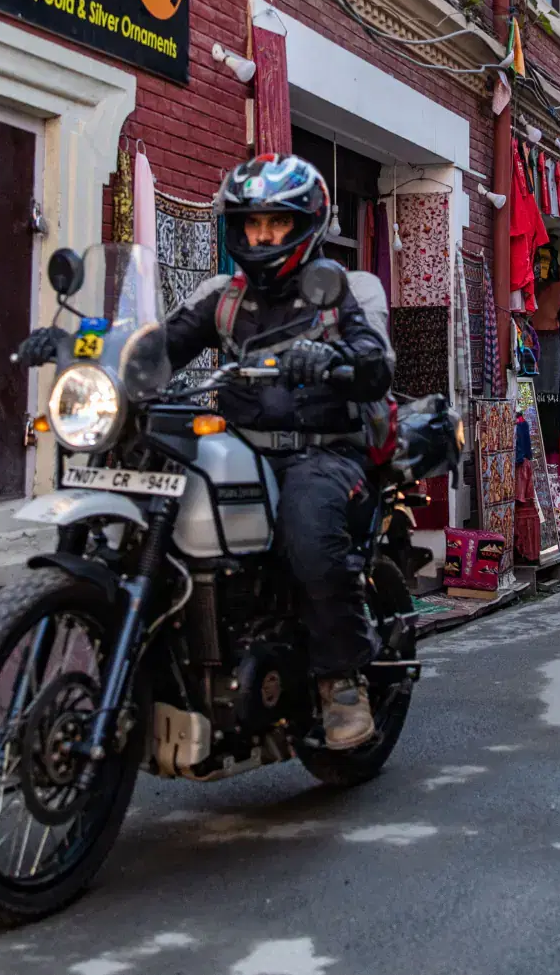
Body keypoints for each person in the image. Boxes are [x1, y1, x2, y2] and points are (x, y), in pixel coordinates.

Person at [158, 154, 394, 750]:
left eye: (277, 224)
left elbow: (376, 364)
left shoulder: (345, 289)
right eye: (252, 223)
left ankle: (341, 682)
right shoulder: (223, 296)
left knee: (308, 526)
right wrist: (86, 349)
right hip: (241, 447)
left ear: (305, 225)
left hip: (322, 454)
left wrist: (338, 360)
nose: (261, 236)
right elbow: (158, 349)